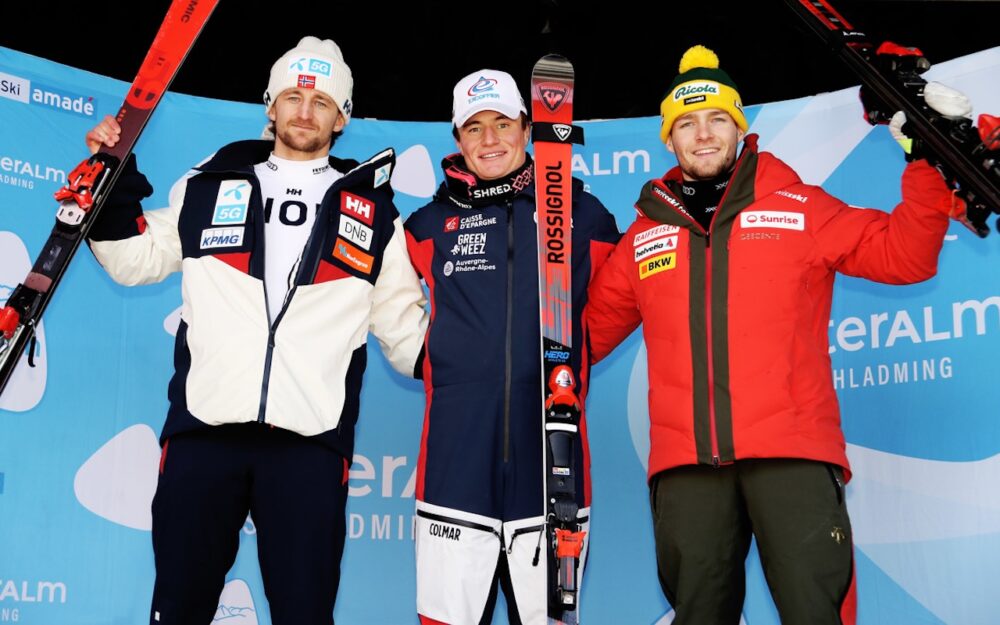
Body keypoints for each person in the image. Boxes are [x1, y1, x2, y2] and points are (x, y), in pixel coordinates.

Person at [584, 45, 968, 625]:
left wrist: (928, 163)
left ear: (739, 127)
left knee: (816, 614)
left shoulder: (800, 209)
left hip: (792, 456)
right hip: (688, 469)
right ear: (669, 139)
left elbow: (905, 256)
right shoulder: (644, 239)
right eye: (686, 122)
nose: (703, 133)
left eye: (717, 119)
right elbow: (578, 341)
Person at [84, 36, 428, 625]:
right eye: (293, 96)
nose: (304, 110)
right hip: (204, 432)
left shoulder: (374, 213)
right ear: (270, 106)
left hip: (308, 444)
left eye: (320, 102)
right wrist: (108, 175)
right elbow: (132, 258)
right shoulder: (210, 182)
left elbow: (406, 336)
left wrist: (496, 353)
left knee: (303, 613)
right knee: (179, 607)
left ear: (341, 117)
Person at [403, 69, 619, 625]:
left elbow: (626, 298)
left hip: (551, 455)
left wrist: (581, 354)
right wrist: (430, 360)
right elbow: (382, 303)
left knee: (547, 617)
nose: (490, 139)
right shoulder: (427, 224)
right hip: (455, 456)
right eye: (474, 128)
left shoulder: (582, 213)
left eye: (502, 123)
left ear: (527, 129)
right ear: (457, 140)